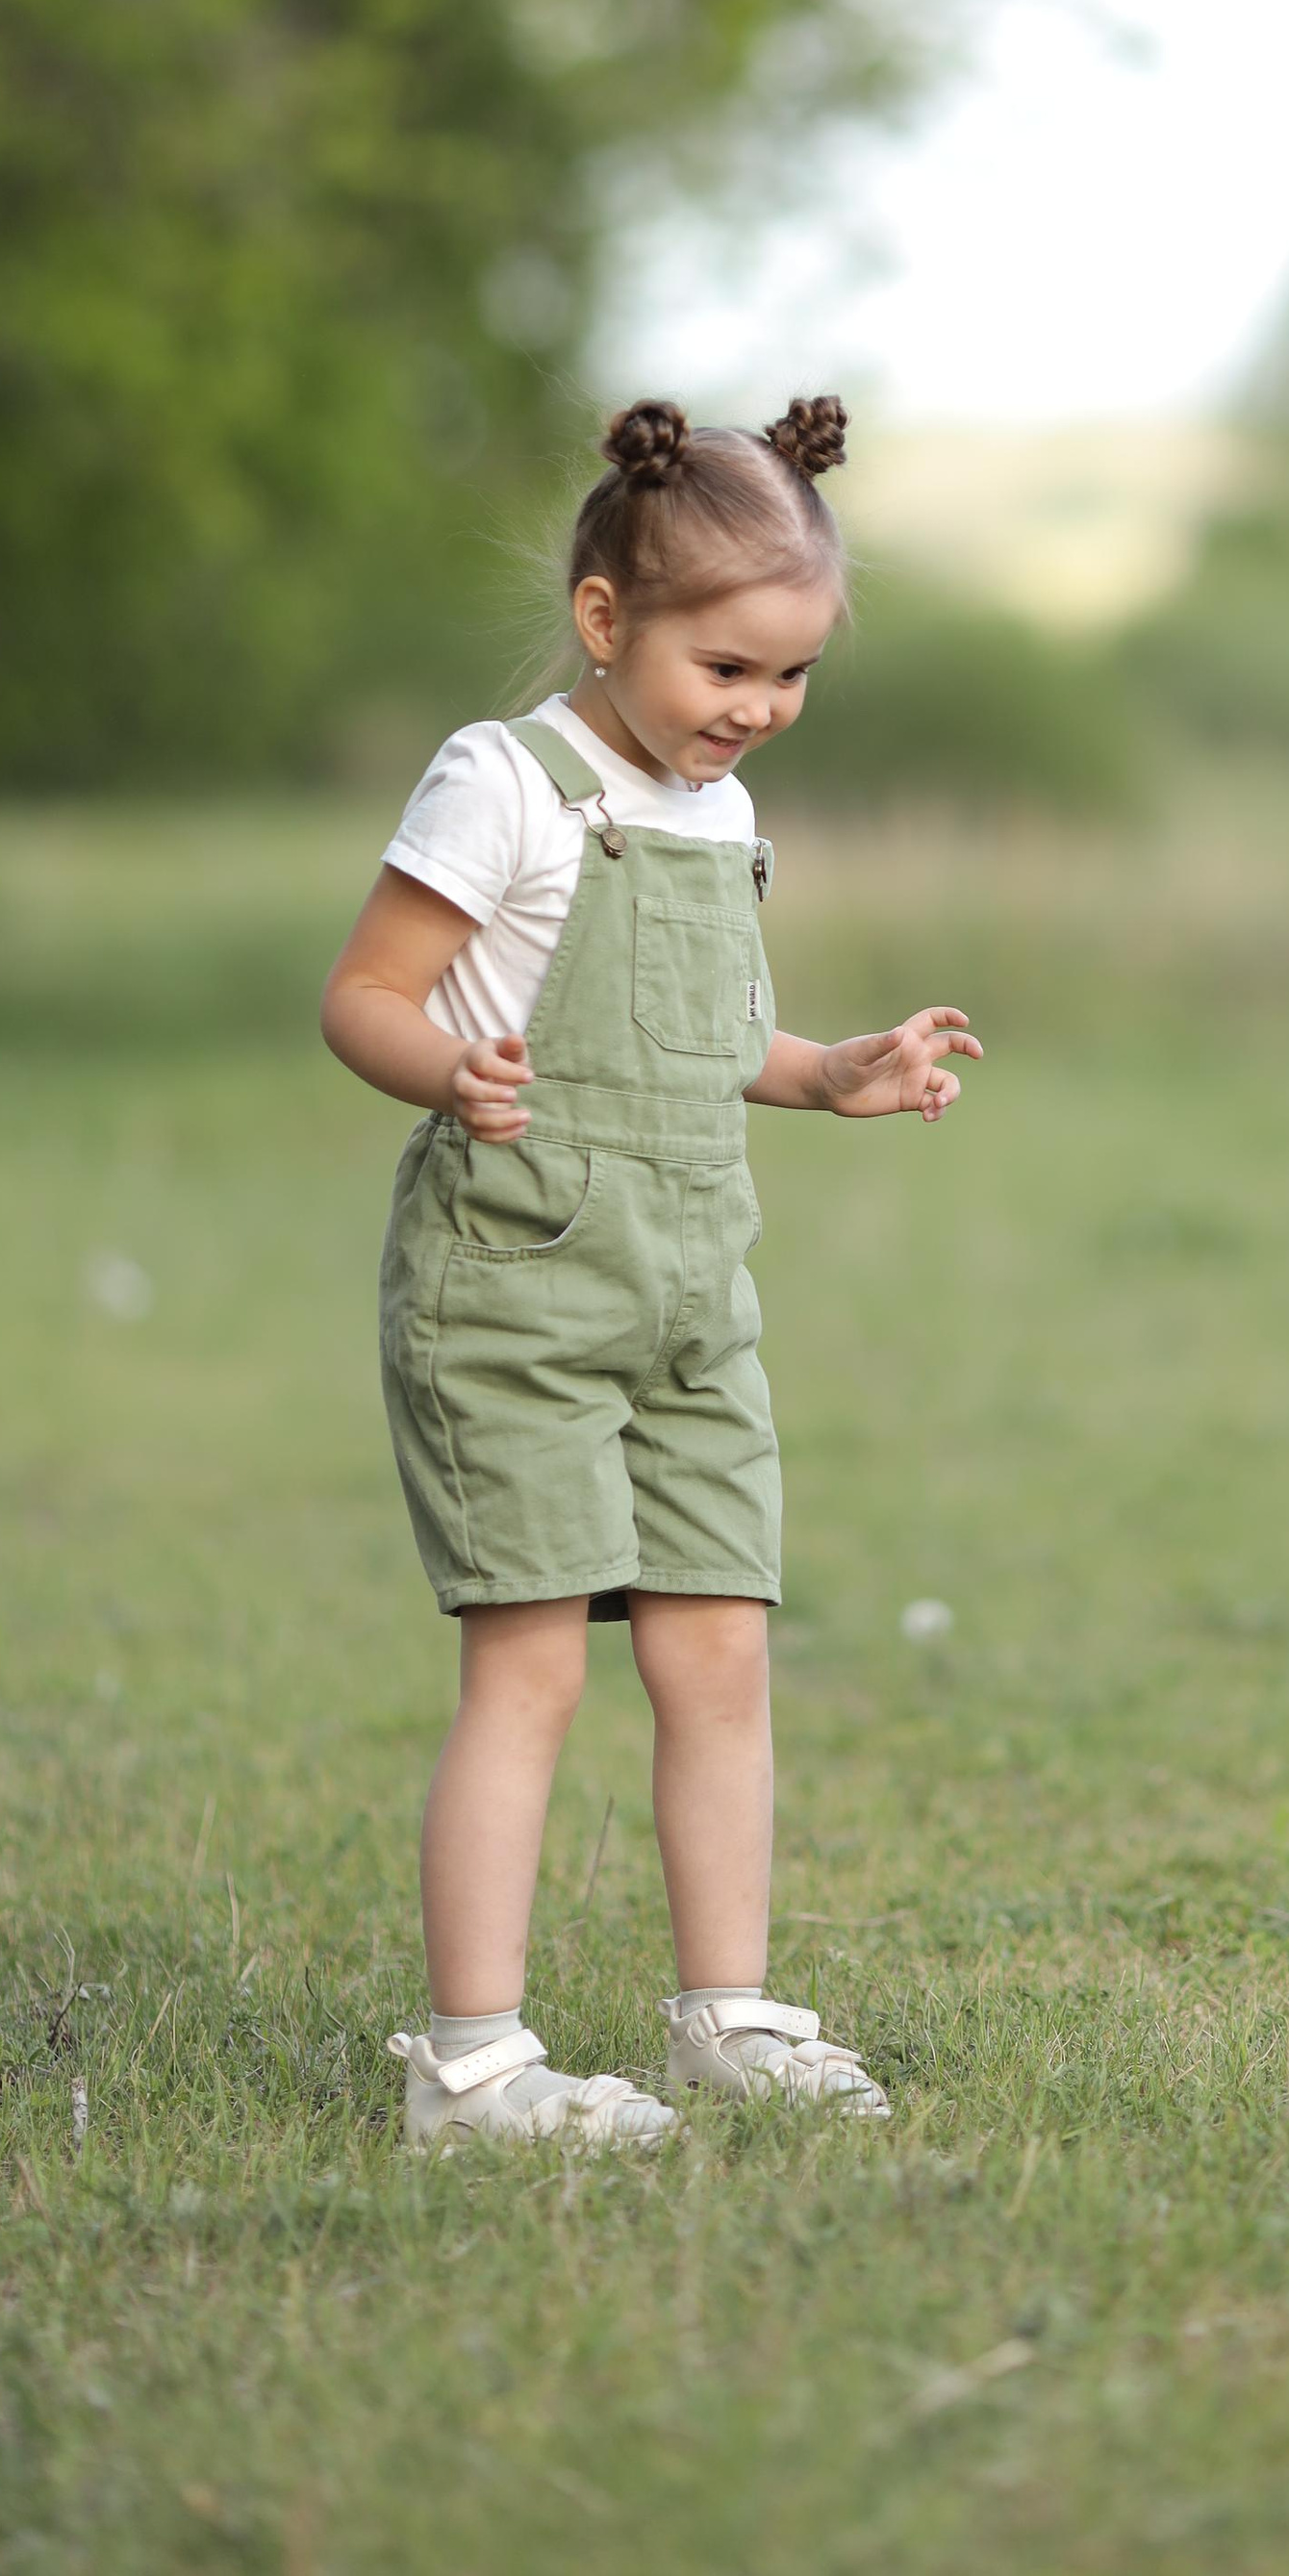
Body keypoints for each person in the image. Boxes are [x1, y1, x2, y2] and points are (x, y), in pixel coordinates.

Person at [320, 392, 981, 2150]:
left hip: (696, 1305)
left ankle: (729, 2015)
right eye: (726, 667)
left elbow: (710, 1041)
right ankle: (470, 2065)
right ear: (608, 620)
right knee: (528, 1667)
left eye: (791, 677)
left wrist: (832, 1070)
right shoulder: (508, 779)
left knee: (720, 1657)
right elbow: (366, 996)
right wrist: (443, 1066)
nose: (756, 710)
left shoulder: (719, 807)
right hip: (516, 1300)